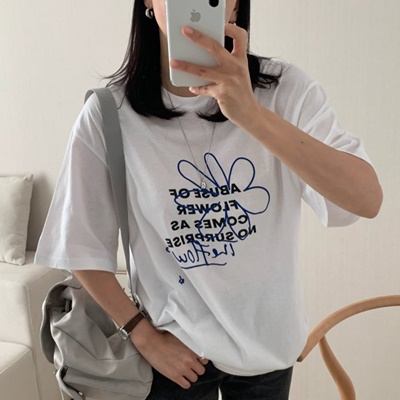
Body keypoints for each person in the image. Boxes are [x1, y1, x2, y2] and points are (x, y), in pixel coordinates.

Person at [34, 0, 383, 399]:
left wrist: (252, 115)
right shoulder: (109, 112)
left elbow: (366, 199)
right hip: (171, 357)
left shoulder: (285, 90)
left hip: (267, 352)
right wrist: (142, 335)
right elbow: (79, 245)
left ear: (235, 7)